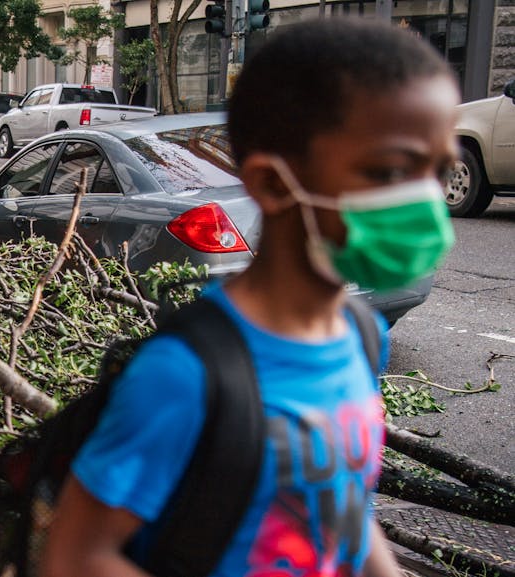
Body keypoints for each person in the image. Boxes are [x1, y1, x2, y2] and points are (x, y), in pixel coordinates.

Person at [41, 18, 457, 577]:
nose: (425, 200)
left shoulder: (363, 335)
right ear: (273, 183)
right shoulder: (183, 375)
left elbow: (343, 507)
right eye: (390, 170)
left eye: (440, 171)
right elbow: (76, 557)